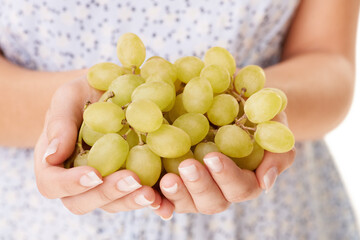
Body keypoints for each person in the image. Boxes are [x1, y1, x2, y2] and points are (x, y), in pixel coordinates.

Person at [0, 0, 359, 239]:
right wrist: (65, 116)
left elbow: (328, 60)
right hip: (45, 222)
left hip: (274, 218)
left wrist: (251, 108)